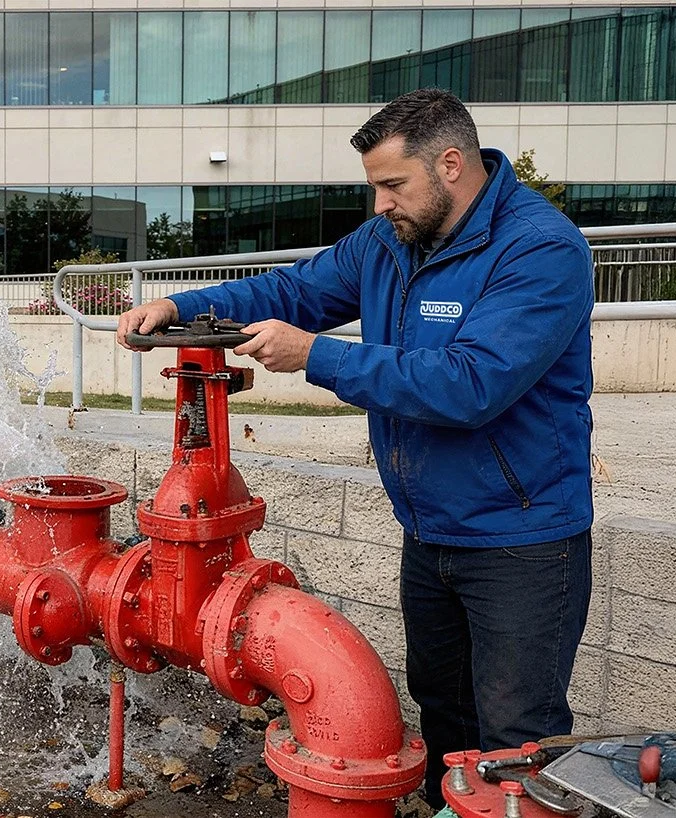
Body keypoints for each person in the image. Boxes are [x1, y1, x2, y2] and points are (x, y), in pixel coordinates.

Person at [115, 88, 594, 806]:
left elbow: (470, 385)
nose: (379, 205)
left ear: (453, 165)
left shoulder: (541, 250)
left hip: (521, 541)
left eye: (392, 185)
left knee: (514, 739)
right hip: (431, 530)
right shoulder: (390, 242)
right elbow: (295, 289)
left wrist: (317, 357)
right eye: (374, 186)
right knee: (444, 712)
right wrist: (183, 305)